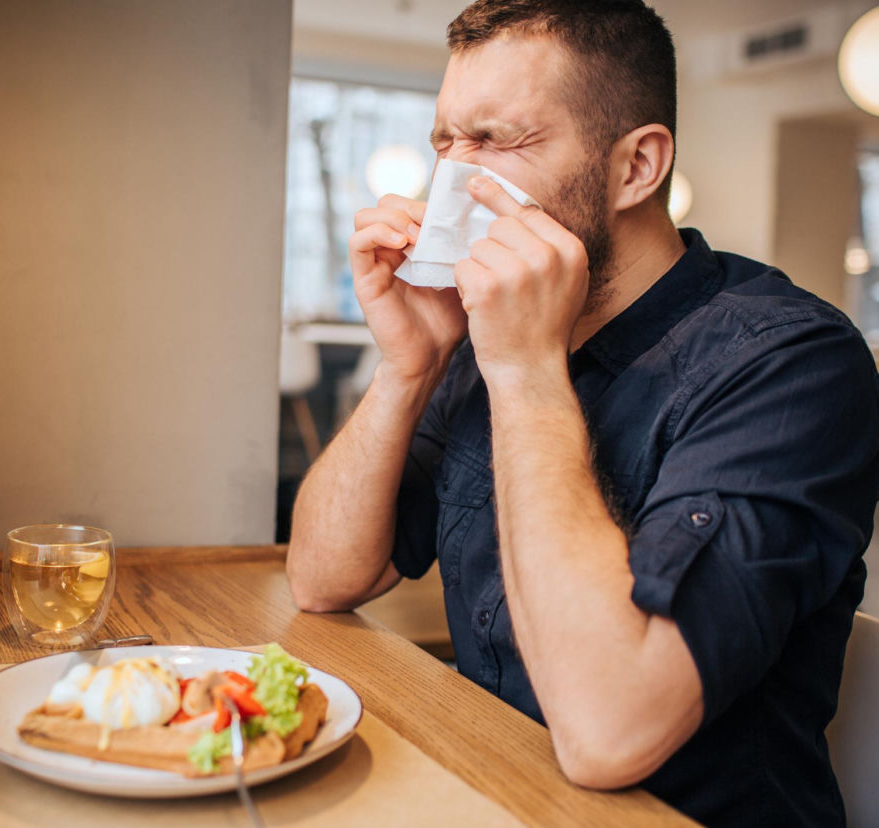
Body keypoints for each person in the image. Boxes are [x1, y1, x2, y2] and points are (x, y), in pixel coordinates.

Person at [286, 1, 879, 825]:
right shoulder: (484, 335)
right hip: (494, 788)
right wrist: (408, 367)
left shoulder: (790, 364)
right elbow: (322, 579)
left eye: (495, 140)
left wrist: (527, 372)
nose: (448, 182)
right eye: (444, 144)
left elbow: (609, 734)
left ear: (637, 166)